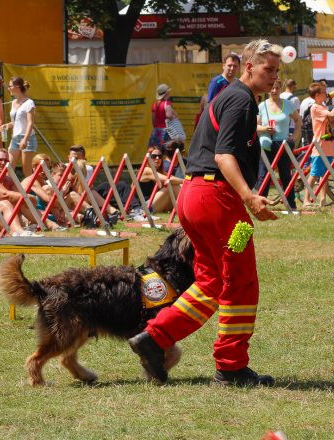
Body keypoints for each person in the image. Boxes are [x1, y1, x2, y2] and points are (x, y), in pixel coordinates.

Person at [128, 39, 279, 386]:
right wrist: (250, 197)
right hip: (219, 202)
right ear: (248, 67)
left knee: (211, 281)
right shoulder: (241, 100)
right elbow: (224, 156)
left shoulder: (229, 97)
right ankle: (231, 367)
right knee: (240, 281)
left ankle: (153, 339)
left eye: (277, 70)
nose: (273, 76)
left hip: (194, 198)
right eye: (268, 69)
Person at [0, 148, 44, 236]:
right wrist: (29, 197)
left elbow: (21, 197)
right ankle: (20, 232)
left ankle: (48, 224)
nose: (3, 163)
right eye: (0, 160)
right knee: (7, 203)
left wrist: (27, 198)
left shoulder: (8, 179)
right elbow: (4, 195)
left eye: (6, 160)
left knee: (19, 202)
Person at [256, 79, 301, 211]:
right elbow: (255, 127)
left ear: (281, 89)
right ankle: (260, 205)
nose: (274, 90)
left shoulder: (287, 104)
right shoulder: (262, 106)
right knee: (263, 175)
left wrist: (294, 137)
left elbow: (298, 120)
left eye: (277, 88)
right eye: (272, 88)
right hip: (266, 144)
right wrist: (265, 129)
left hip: (284, 144)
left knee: (285, 174)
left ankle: (291, 205)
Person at [303, 83, 334, 208]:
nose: (327, 94)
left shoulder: (323, 106)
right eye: (324, 92)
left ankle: (323, 199)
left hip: (329, 143)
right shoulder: (315, 107)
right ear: (317, 95)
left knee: (326, 173)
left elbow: (330, 117)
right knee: (314, 173)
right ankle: (306, 200)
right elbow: (330, 114)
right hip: (320, 145)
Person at [1, 77, 38, 178]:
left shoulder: (29, 102)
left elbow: (30, 123)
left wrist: (25, 140)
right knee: (9, 167)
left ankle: (33, 192)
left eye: (10, 86)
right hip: (15, 138)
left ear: (17, 87)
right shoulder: (13, 102)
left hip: (28, 138)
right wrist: (8, 125)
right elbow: (15, 122)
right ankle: (11, 191)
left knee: (26, 171)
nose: (8, 88)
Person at [139, 145, 182, 213]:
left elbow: (172, 178)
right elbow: (169, 180)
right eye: (154, 156)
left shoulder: (159, 171)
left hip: (156, 203)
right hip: (143, 208)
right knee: (170, 186)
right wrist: (186, 181)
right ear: (148, 158)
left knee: (178, 185)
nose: (157, 158)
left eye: (160, 156)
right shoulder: (146, 170)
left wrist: (185, 182)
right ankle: (189, 207)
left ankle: (189, 207)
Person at [148, 84, 177, 148]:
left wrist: (156, 127)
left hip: (156, 132)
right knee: (167, 151)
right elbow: (169, 115)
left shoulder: (155, 104)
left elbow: (153, 119)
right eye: (168, 91)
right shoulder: (167, 103)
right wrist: (174, 116)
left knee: (156, 150)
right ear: (166, 93)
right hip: (166, 132)